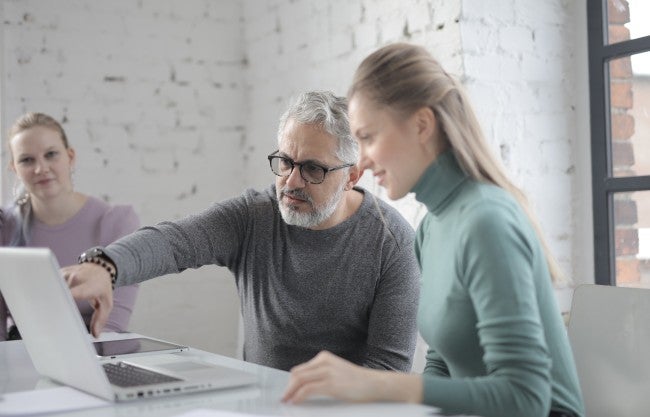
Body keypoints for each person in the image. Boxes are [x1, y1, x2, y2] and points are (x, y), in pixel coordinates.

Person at [281, 44, 585, 417]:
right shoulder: (429, 229)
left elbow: (526, 399)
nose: (362, 160)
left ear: (422, 125)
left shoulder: (487, 222)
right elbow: (443, 365)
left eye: (370, 137)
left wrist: (375, 384)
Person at [63, 91, 420, 372]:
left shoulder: (394, 243)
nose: (291, 182)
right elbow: (175, 242)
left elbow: (388, 369)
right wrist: (106, 265)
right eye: (285, 162)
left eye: (312, 169)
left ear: (352, 176)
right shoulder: (254, 215)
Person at [0, 112, 140, 341]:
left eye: (51, 154)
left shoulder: (115, 221)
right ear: (15, 168)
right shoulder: (4, 224)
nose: (40, 168)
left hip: (93, 354)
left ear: (70, 156)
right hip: (20, 353)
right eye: (27, 160)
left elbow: (112, 327)